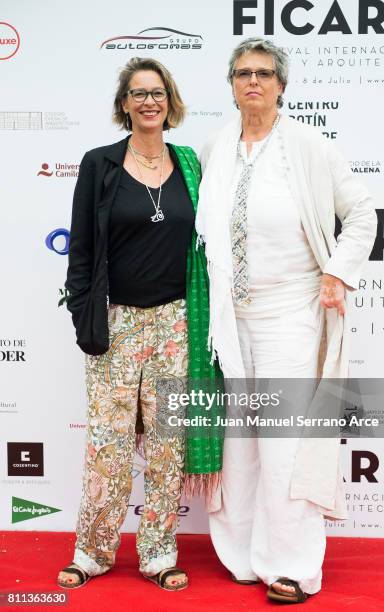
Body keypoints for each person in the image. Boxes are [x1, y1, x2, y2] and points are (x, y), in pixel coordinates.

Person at [196, 38, 377, 604]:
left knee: (285, 443)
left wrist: (337, 274)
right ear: (230, 84)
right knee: (239, 442)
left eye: (265, 74)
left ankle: (292, 567)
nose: (254, 82)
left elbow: (363, 214)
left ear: (282, 85)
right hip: (227, 319)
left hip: (290, 315)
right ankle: (245, 557)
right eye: (244, 73)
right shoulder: (215, 146)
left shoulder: (308, 146)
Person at [57, 56, 217, 591]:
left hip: (177, 322)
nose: (149, 101)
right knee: (109, 443)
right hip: (117, 320)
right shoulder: (100, 164)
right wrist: (86, 318)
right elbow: (81, 250)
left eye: (158, 92)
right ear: (124, 104)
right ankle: (93, 550)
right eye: (138, 93)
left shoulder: (190, 163)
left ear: (170, 102)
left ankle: (157, 552)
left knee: (169, 443)